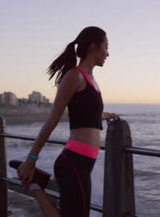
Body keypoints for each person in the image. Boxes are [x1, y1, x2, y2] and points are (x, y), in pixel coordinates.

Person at [15, 26, 119, 217]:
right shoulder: (74, 76)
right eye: (106, 46)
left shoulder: (91, 79)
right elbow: (52, 119)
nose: (108, 53)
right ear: (93, 47)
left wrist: (105, 115)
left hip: (84, 164)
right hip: (73, 163)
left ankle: (37, 183)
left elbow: (86, 115)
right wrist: (32, 158)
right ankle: (36, 186)